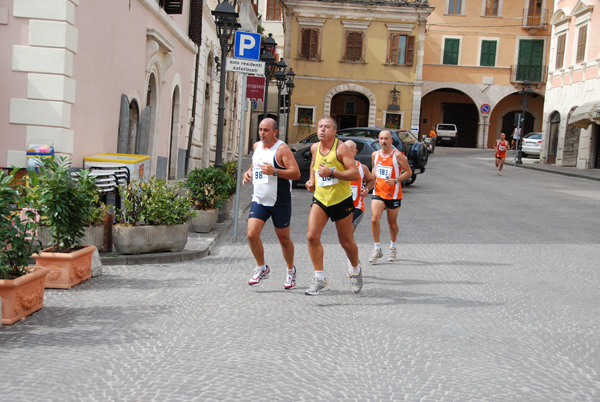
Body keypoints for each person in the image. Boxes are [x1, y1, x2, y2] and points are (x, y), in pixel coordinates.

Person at [304, 117, 363, 296]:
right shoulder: (315, 147)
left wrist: (332, 172)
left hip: (341, 200)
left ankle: (356, 270)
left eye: (327, 127)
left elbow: (354, 174)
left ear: (334, 131)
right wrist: (312, 180)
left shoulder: (341, 148)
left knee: (346, 242)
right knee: (312, 236)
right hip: (321, 199)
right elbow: (314, 164)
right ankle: (319, 278)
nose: (322, 130)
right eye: (320, 126)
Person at [242, 118, 301, 289]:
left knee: (283, 239)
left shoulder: (282, 149)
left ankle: (291, 271)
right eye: (260, 129)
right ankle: (261, 268)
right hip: (259, 200)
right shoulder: (257, 146)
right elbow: (255, 164)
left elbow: (296, 173)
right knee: (252, 234)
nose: (262, 133)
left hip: (279, 201)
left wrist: (275, 171)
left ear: (275, 132)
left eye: (266, 130)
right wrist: (248, 172)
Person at [369, 130, 413, 263]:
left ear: (391, 141)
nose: (383, 141)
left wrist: (395, 180)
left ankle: (393, 248)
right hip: (378, 192)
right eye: (381, 138)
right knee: (374, 220)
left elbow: (409, 172)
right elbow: (373, 169)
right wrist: (372, 179)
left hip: (393, 194)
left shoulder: (397, 155)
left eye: (386, 139)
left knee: (391, 224)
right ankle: (377, 249)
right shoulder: (374, 155)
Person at [344, 140, 375, 230]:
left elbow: (371, 181)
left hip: (356, 207)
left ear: (355, 152)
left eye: (350, 150)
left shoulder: (362, 168)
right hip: (340, 207)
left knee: (348, 232)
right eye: (345, 149)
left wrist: (366, 189)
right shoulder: (337, 166)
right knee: (344, 236)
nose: (347, 152)